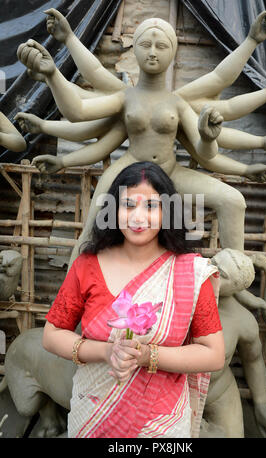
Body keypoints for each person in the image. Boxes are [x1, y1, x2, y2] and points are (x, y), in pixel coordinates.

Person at [15, 12, 266, 270]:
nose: (152, 52)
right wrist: (53, 72)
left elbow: (206, 145)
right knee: (93, 223)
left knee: (233, 200)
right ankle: (70, 298)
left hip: (170, 173)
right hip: (128, 171)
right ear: (134, 49)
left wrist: (251, 41)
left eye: (161, 46)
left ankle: (237, 280)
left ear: (173, 53)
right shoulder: (124, 97)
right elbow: (77, 111)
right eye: (145, 45)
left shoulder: (178, 102)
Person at [42, 161, 225, 438]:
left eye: (151, 206)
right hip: (93, 416)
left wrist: (146, 356)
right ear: (113, 210)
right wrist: (106, 352)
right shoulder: (87, 266)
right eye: (128, 205)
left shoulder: (189, 272)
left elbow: (213, 353)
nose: (138, 217)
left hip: (161, 425)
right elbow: (52, 334)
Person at [202, 249, 266, 438]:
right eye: (212, 262)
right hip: (177, 389)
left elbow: (253, 360)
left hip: (218, 390)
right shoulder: (185, 294)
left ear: (237, 287)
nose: (212, 272)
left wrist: (262, 403)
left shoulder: (243, 321)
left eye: (222, 274)